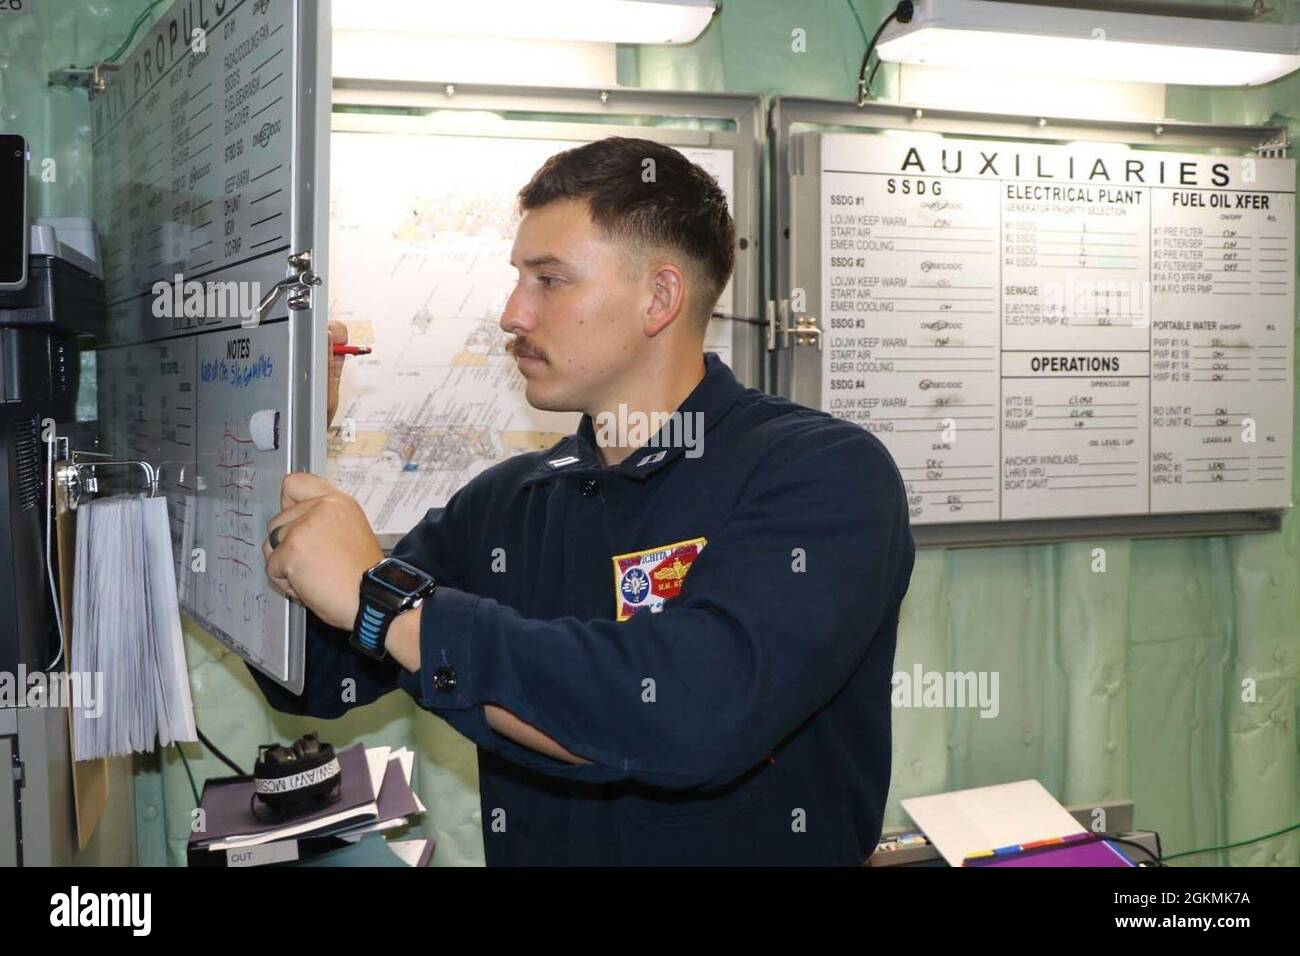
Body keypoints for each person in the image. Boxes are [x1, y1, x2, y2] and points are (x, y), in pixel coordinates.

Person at [250, 136, 915, 865]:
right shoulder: (507, 503)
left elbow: (693, 712)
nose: (512, 313)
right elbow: (315, 674)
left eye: (549, 280)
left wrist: (389, 604)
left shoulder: (823, 473)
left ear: (658, 298)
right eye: (518, 278)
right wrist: (283, 451)